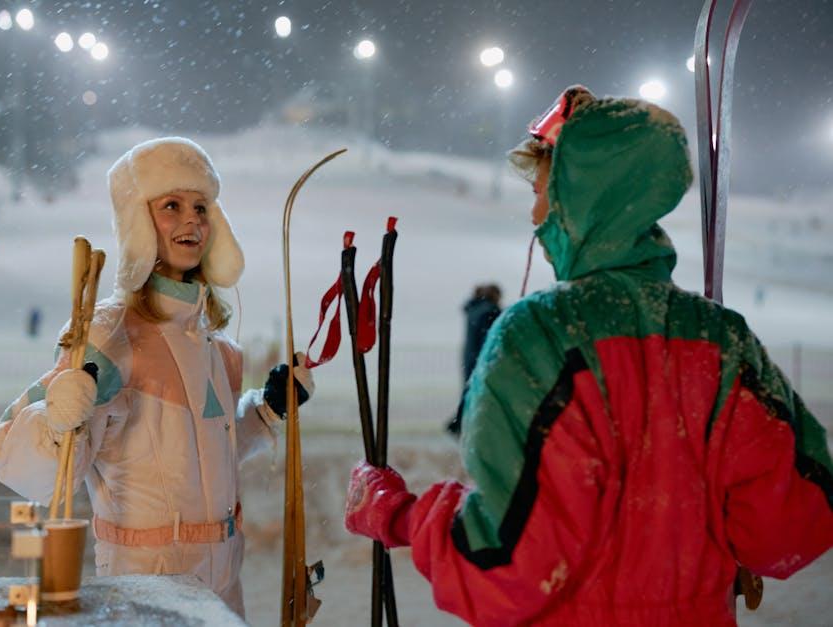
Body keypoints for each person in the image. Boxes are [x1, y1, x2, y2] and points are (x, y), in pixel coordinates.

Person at [343, 87, 833, 625]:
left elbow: (506, 564)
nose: (534, 214)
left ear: (580, 198)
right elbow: (793, 526)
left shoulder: (537, 336)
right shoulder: (721, 339)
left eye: (543, 190)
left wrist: (398, 515)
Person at [0, 137, 313, 618]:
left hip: (224, 582)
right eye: (171, 206)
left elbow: (203, 452)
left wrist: (266, 409)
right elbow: (24, 463)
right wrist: (57, 417)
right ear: (139, 222)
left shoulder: (217, 346)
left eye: (201, 207)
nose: (191, 221)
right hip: (145, 584)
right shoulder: (109, 334)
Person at [446, 283, 502, 436]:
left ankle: (460, 423)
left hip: (469, 356)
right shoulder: (490, 312)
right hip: (482, 358)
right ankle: (462, 425)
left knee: (469, 390)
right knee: (479, 393)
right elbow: (492, 339)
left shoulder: (473, 310)